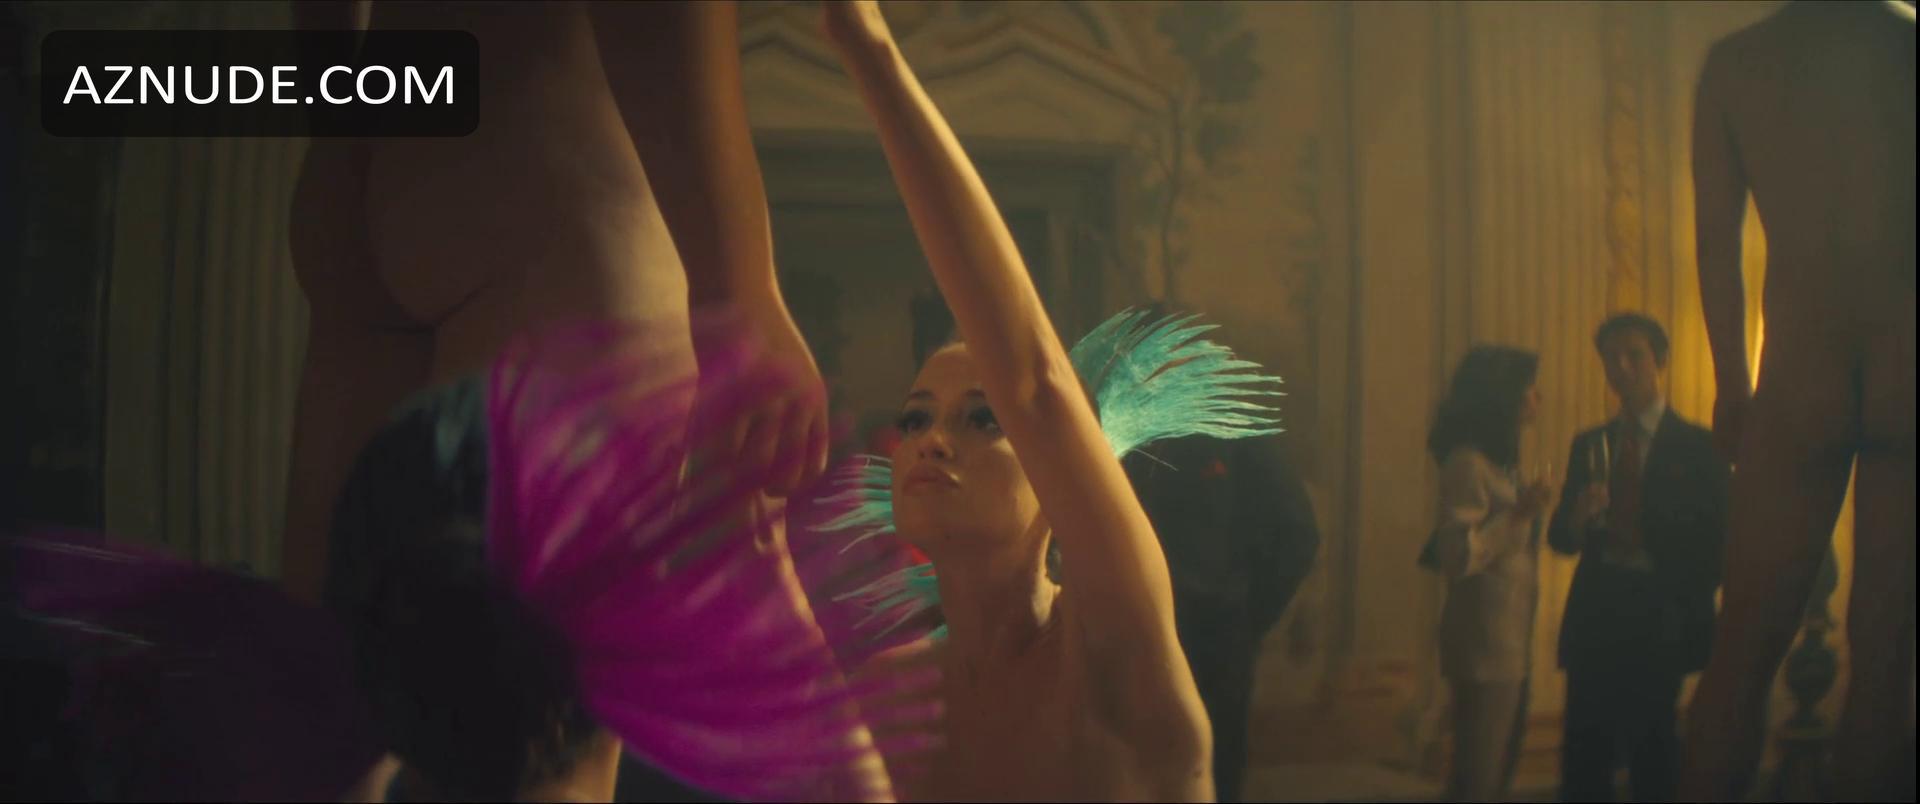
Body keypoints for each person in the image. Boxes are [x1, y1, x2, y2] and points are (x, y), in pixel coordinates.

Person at [807, 2, 1299, 797]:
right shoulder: (886, 691)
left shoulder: (1111, 652)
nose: (931, 440)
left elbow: (1035, 385)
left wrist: (869, 46)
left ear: (1063, 475)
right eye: (916, 416)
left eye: (983, 419)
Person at [283, 0, 828, 610]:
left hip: (369, 141)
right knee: (555, 654)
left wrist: (337, 124)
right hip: (545, 155)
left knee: (331, 649)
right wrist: (738, 291)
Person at [1682, 3, 1916, 799]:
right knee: (1884, 656)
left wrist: (1732, 386)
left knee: (1742, 648)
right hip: (1908, 362)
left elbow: (1716, 246)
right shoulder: (1906, 48)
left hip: (1802, 366)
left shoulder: (1737, 63)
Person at [1549, 314, 1729, 802]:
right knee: (1585, 756)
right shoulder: (1590, 443)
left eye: (1634, 355)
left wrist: (1681, 595)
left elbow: (1720, 540)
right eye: (1612, 358)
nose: (1622, 367)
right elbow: (1560, 539)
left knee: (1655, 754)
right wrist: (1578, 518)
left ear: (1660, 361)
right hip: (1597, 612)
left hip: (1660, 616)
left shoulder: (1699, 446)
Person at [1124, 431, 1319, 803]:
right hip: (1129, 643)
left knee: (1213, 775)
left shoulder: (1233, 434)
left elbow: (1298, 532)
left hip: (1213, 643)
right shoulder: (1125, 432)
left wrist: (1245, 616)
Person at [1419, 346, 1549, 802]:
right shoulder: (1467, 464)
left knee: (1491, 776)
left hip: (1509, 643)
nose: (1537, 396)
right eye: (1528, 387)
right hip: (1484, 645)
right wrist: (1520, 515)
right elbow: (1457, 556)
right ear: (1502, 396)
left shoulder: (1501, 467)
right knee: (1479, 780)